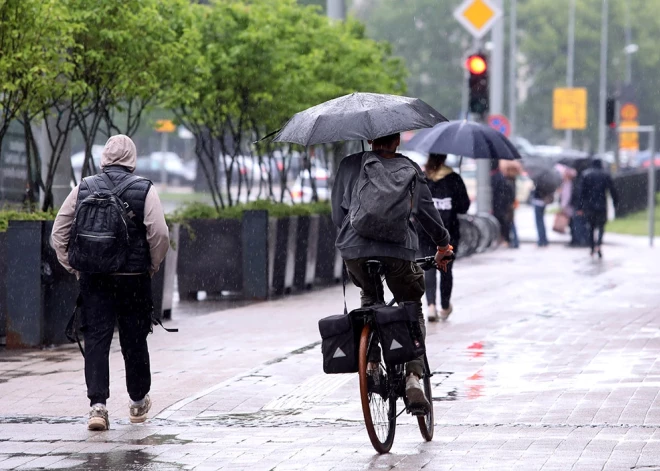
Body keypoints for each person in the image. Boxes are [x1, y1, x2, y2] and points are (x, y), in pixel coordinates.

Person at [51, 135, 169, 431]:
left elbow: (59, 232)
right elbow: (160, 235)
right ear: (132, 158)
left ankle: (97, 407)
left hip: (95, 279)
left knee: (97, 339)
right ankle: (138, 403)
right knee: (134, 339)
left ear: (104, 157)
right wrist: (150, 266)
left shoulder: (84, 187)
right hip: (133, 280)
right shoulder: (144, 189)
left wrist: (75, 266)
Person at [332, 133, 452, 414]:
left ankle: (371, 365)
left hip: (355, 249)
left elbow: (338, 216)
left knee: (370, 296)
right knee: (411, 304)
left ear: (370, 139)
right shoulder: (409, 168)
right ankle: (413, 378)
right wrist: (443, 244)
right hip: (398, 251)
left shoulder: (350, 164)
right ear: (397, 141)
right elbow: (426, 212)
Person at [417, 153, 470, 322]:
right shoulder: (453, 178)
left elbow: (414, 204)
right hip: (449, 231)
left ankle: (431, 306)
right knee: (445, 267)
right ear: (445, 158)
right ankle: (445, 306)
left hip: (425, 229)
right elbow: (464, 207)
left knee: (429, 266)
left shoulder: (423, 178)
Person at [578, 158, 618, 258]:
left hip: (589, 205)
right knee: (601, 226)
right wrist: (615, 202)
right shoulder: (605, 175)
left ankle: (592, 247)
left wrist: (580, 206)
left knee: (590, 227)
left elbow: (581, 192)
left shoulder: (586, 174)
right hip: (601, 204)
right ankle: (599, 244)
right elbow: (612, 190)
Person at [490, 159, 515, 245]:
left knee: (503, 222)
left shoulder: (495, 177)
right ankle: (509, 240)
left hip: (499, 205)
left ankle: (508, 240)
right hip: (503, 205)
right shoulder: (502, 177)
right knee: (507, 222)